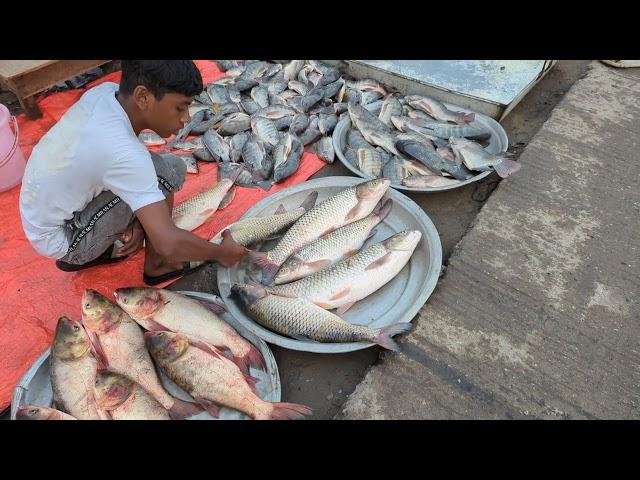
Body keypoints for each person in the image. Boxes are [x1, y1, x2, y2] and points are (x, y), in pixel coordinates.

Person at [19, 60, 246, 285]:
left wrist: (141, 223)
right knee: (162, 173)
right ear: (143, 97)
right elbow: (169, 242)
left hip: (56, 210)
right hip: (64, 238)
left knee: (170, 167)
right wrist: (222, 253)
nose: (186, 118)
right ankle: (156, 265)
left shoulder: (106, 94)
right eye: (180, 107)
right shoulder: (121, 151)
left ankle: (119, 239)